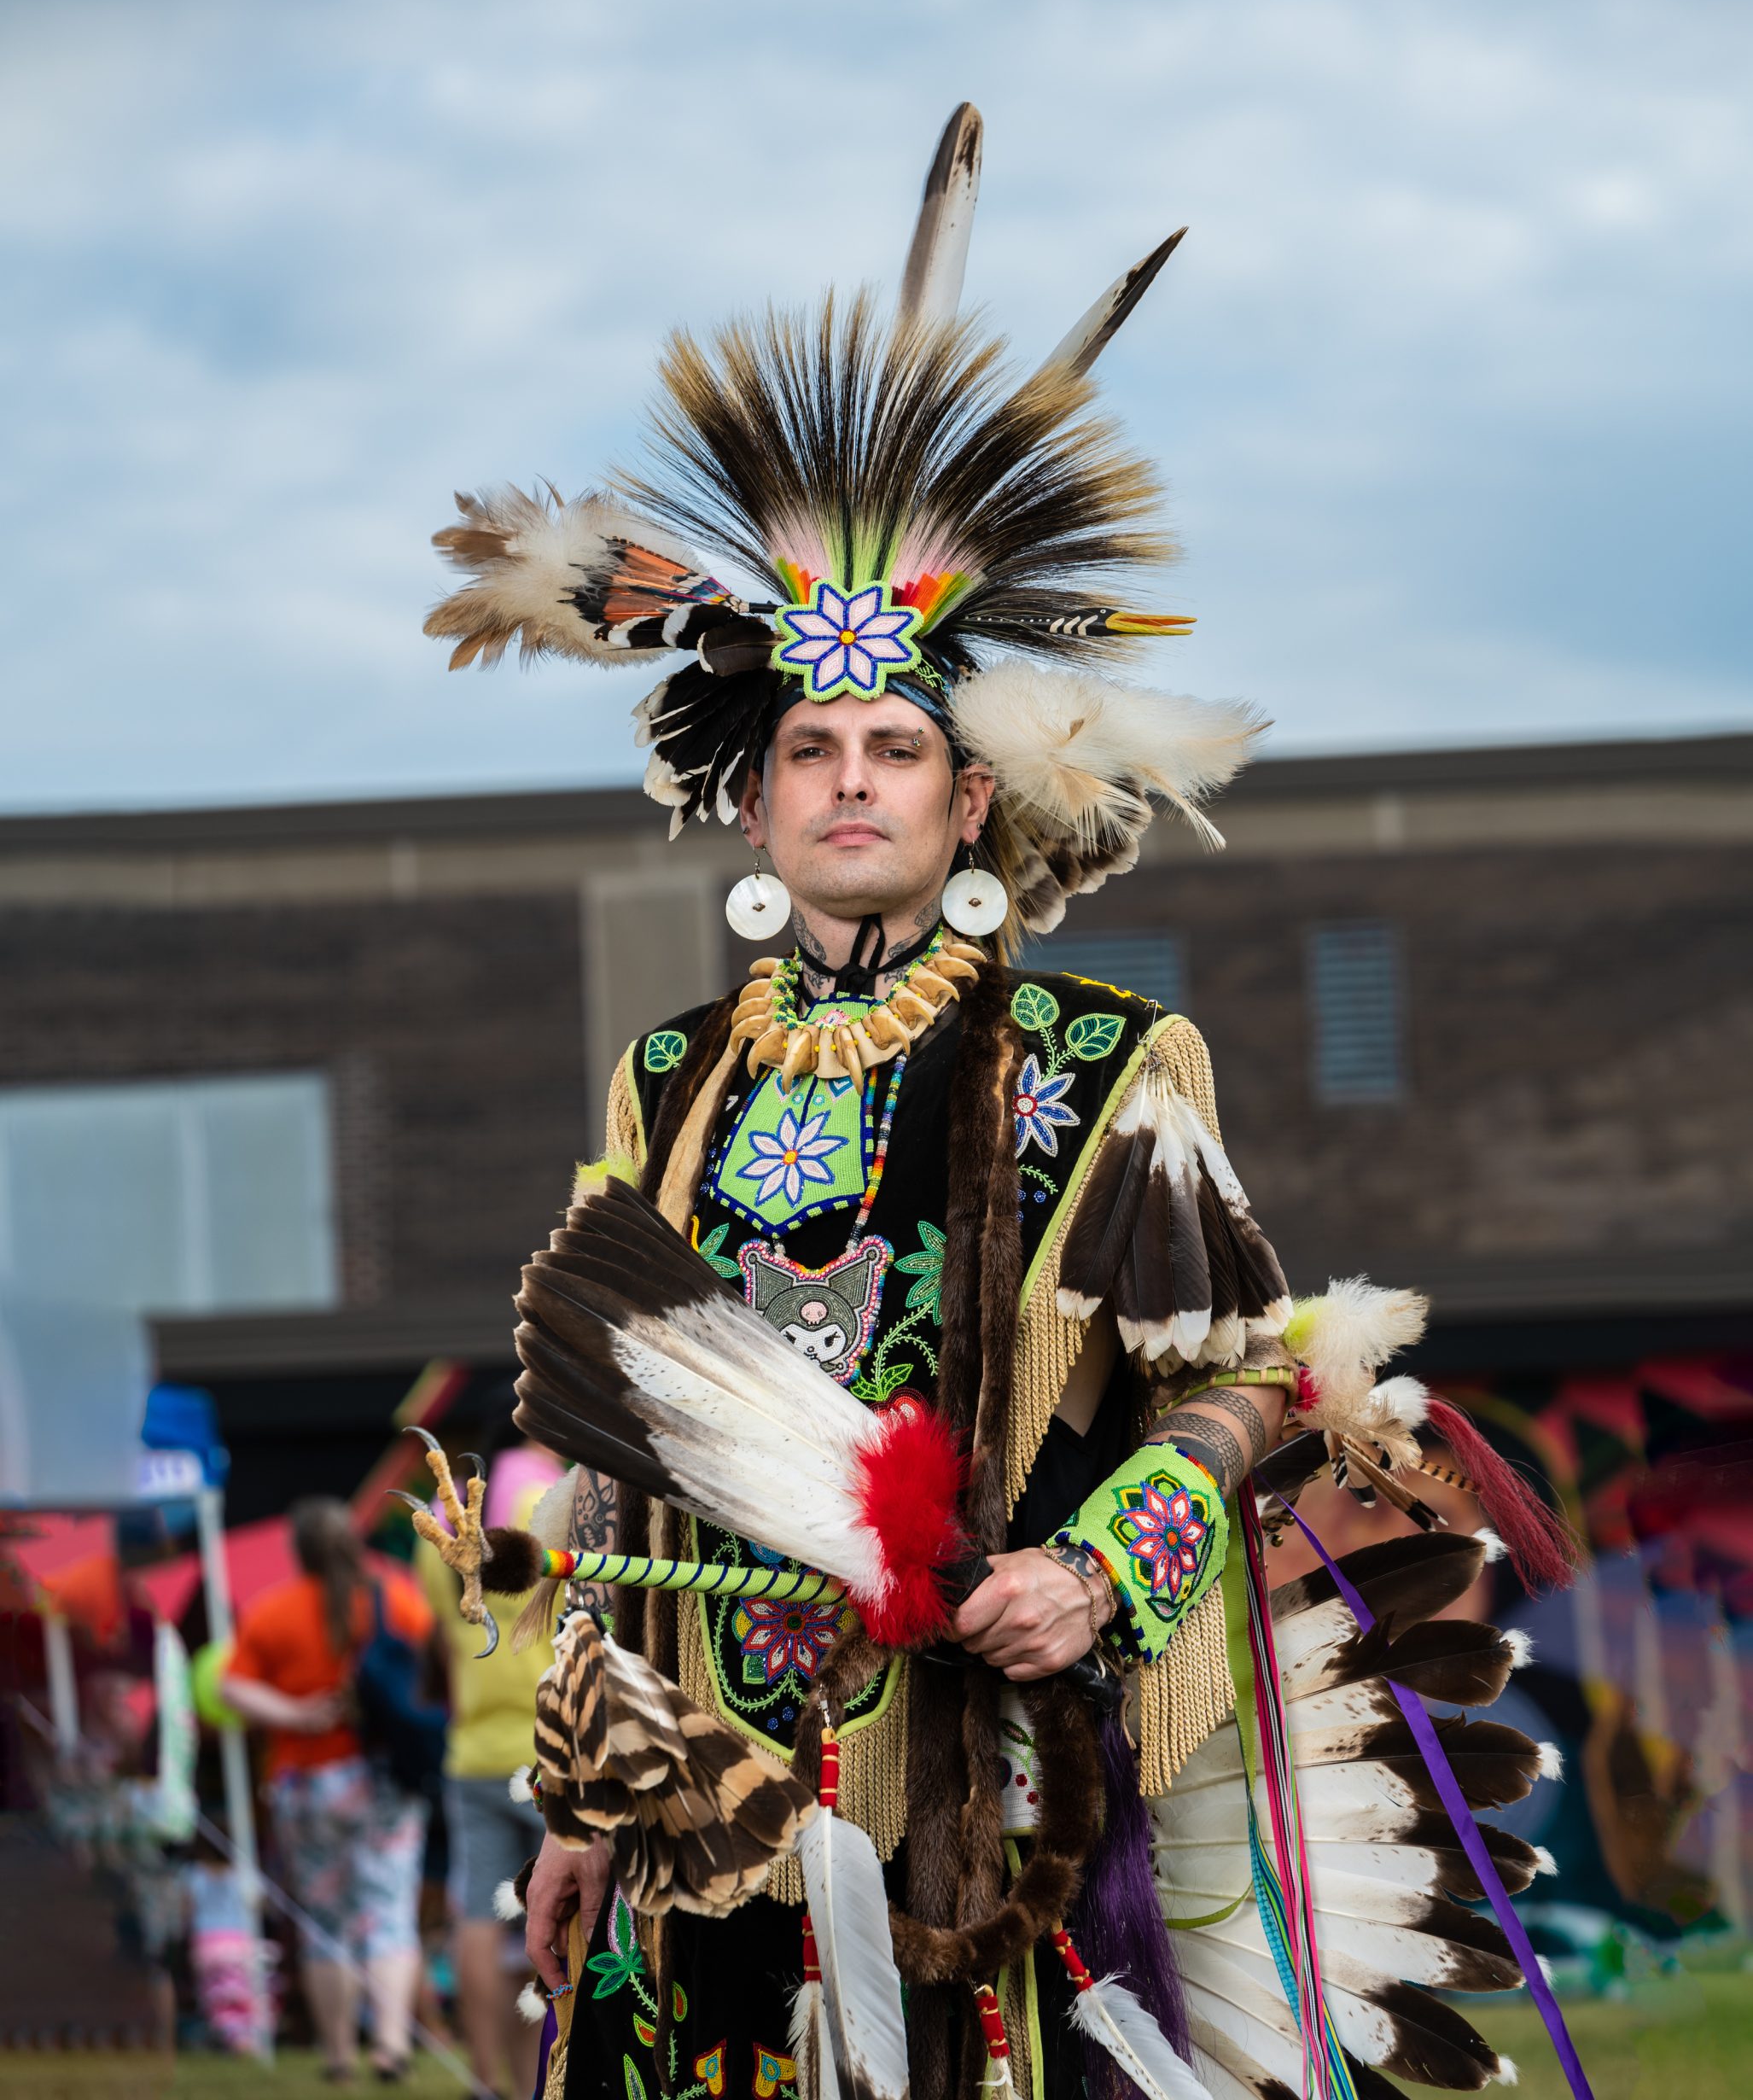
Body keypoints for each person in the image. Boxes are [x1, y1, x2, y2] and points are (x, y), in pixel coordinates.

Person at [422, 107, 1569, 2100]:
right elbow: (618, 1475)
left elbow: (1245, 1377)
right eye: (811, 746)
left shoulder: (1107, 1065)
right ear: (755, 793)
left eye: (896, 745)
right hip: (702, 1807)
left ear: (973, 800)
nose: (851, 780)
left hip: (983, 1790)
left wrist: (1099, 1565)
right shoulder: (671, 1076)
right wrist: (579, 1790)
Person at [222, 1497, 433, 2082]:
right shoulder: (396, 1597)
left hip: (305, 1784)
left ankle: (338, 2053)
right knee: (389, 1915)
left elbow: (232, 1688)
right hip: (382, 1780)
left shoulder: (273, 1611)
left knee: (325, 1922)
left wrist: (292, 1713)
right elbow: (436, 1668)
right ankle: (390, 2045)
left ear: (299, 1551)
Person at [414, 1438, 562, 2100]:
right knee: (560, 1915)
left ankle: (482, 2075)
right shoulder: (544, 1505)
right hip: (546, 1750)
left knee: (477, 1914)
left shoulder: (434, 1531)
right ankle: (552, 2069)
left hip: (471, 1750)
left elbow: (446, 1644)